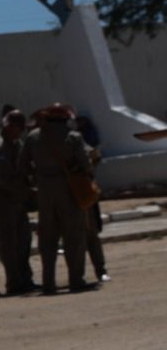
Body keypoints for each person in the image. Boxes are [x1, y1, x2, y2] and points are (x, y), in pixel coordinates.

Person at [18, 103, 97, 294]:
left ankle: (48, 283)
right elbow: (86, 165)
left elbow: (22, 165)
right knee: (74, 236)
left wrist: (38, 178)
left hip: (44, 191)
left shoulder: (33, 137)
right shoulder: (73, 137)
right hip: (68, 190)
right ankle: (76, 280)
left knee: (47, 239)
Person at [0, 109, 36, 295]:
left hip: (17, 201)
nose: (21, 132)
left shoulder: (15, 143)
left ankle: (25, 278)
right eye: (20, 128)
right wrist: (28, 191)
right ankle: (14, 282)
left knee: (23, 241)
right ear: (11, 127)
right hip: (4, 203)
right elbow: (5, 179)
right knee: (9, 244)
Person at [75, 114, 110, 282]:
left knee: (91, 234)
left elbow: (94, 156)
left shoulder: (75, 139)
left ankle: (100, 269)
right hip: (65, 194)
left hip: (81, 191)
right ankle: (76, 276)